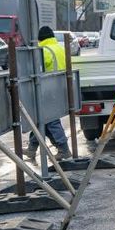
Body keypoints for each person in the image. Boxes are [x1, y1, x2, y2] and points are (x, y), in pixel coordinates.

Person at [28, 26, 72, 159]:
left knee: (50, 120)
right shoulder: (59, 47)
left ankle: (63, 149)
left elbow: (36, 69)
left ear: (40, 38)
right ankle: (32, 148)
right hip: (60, 88)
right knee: (42, 120)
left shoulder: (44, 50)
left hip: (47, 90)